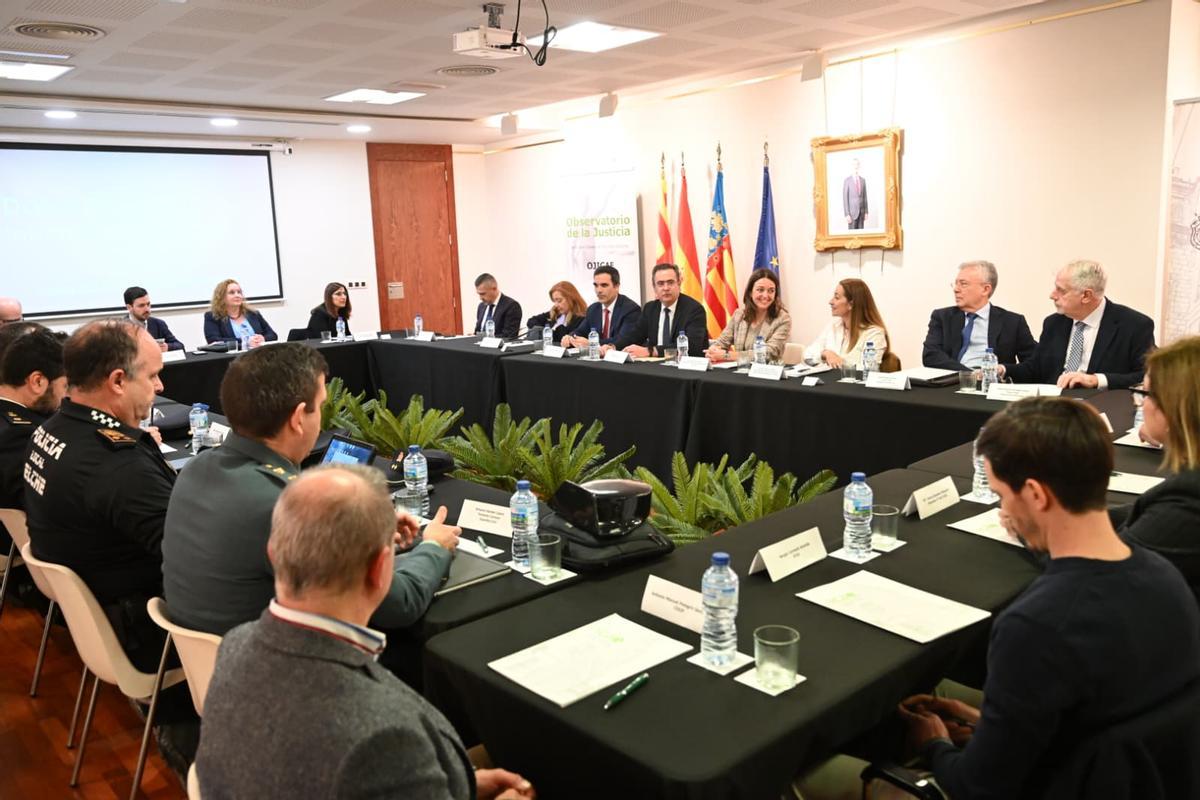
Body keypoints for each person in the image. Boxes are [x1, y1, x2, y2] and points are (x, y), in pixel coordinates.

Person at [897, 397, 1200, 798]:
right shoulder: (1168, 581)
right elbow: (1102, 723)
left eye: (1003, 494)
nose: (1005, 510)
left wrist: (933, 744)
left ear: (1036, 495)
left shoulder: (1037, 625)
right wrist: (987, 721)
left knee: (824, 776)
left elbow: (977, 788)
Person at [194, 465, 536, 800]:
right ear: (379, 570)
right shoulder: (385, 737)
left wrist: (451, 783)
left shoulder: (235, 645)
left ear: (274, 553)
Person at [162, 343, 458, 636]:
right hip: (283, 672)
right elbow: (400, 604)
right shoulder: (293, 506)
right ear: (298, 418)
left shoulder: (195, 469)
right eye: (321, 407)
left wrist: (361, 534)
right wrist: (434, 547)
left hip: (210, 663)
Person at [22, 320, 174, 670]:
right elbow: (192, 555)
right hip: (145, 631)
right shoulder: (118, 465)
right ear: (118, 381)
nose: (160, 386)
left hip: (94, 615)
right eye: (152, 376)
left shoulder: (50, 428)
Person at [1110, 336, 1200, 602]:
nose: (1140, 403)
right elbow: (1139, 514)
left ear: (1175, 409)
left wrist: (1042, 526)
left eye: (1145, 393)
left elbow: (1105, 573)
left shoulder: (1189, 498)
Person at [1001, 260, 1154, 389]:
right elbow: (1035, 369)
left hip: (1099, 409)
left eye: (1061, 290)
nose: (1052, 295)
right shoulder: (1054, 323)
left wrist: (1096, 380)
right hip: (1053, 408)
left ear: (1086, 296)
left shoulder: (1134, 325)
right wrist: (1002, 369)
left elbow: (1145, 376)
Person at [921, 261, 1036, 371]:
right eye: (956, 283)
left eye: (963, 284)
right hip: (953, 382)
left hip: (994, 385)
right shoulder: (942, 317)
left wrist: (1002, 370)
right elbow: (931, 355)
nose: (956, 289)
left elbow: (1034, 362)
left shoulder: (1012, 322)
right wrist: (969, 374)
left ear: (985, 289)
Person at [0, 325, 66, 509]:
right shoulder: (19, 435)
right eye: (65, 386)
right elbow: (50, 507)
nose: (65, 397)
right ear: (37, 382)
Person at [610, 263, 707, 357]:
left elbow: (692, 346)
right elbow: (634, 336)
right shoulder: (650, 308)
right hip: (655, 367)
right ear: (654, 287)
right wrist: (613, 347)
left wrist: (651, 351)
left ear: (679, 283)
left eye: (670, 282)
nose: (666, 288)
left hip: (685, 368)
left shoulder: (694, 309)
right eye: (660, 284)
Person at [706, 268, 791, 363]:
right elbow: (722, 342)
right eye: (760, 290)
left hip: (766, 372)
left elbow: (769, 353)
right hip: (740, 372)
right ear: (750, 292)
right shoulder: (740, 314)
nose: (765, 295)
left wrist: (728, 355)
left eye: (771, 291)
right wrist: (713, 350)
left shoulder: (783, 319)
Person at [803, 278, 888, 369]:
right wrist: (826, 353)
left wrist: (842, 362)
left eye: (837, 297)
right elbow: (807, 354)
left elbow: (869, 369)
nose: (830, 302)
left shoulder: (874, 333)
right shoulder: (833, 326)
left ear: (851, 304)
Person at [563, 266, 642, 348]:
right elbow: (580, 331)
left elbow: (623, 340)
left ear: (617, 286)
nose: (599, 290)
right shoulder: (593, 309)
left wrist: (592, 343)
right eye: (596, 285)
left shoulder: (630, 309)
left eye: (604, 285)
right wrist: (570, 338)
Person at [203, 278, 278, 347]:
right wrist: (246, 342)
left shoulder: (253, 314)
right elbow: (214, 341)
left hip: (258, 356)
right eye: (232, 293)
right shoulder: (213, 316)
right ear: (221, 297)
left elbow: (273, 335)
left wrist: (263, 338)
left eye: (239, 292)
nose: (237, 295)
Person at [124, 286, 184, 352]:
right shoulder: (119, 328)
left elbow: (180, 345)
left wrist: (167, 347)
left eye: (148, 304)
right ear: (129, 307)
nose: (147, 309)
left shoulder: (158, 324)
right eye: (141, 305)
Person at [473, 273, 522, 339]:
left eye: (483, 294)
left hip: (497, 348)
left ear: (494, 288)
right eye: (479, 294)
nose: (480, 298)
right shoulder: (481, 306)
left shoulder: (511, 306)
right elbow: (478, 331)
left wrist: (483, 338)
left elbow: (509, 336)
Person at [843, 159, 867, 230]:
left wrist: (866, 212)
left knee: (861, 235)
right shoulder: (847, 181)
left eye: (857, 164)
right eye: (854, 164)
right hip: (851, 214)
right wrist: (847, 214)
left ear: (859, 166)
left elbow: (865, 197)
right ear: (851, 166)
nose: (855, 166)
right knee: (852, 236)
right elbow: (845, 198)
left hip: (861, 213)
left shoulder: (863, 180)